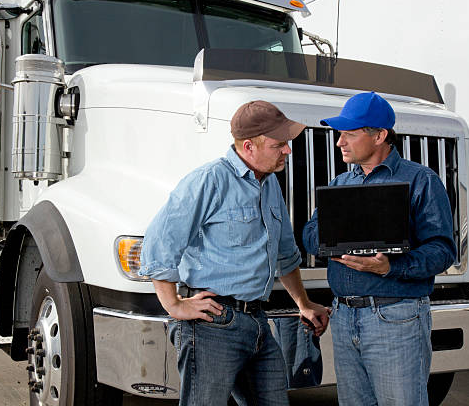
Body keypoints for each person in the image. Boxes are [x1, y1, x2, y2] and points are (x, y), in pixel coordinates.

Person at [139, 100, 331, 406]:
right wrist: (174, 304)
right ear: (248, 146)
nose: (287, 151)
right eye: (278, 144)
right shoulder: (210, 180)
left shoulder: (269, 185)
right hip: (213, 325)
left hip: (257, 321)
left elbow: (285, 255)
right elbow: (160, 242)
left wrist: (303, 303)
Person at [302, 92, 456, 406]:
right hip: (343, 317)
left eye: (349, 134)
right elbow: (309, 236)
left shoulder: (421, 181)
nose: (339, 142)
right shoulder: (340, 184)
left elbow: (442, 250)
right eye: (339, 134)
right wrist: (338, 238)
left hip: (394, 317)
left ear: (380, 136)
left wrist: (390, 267)